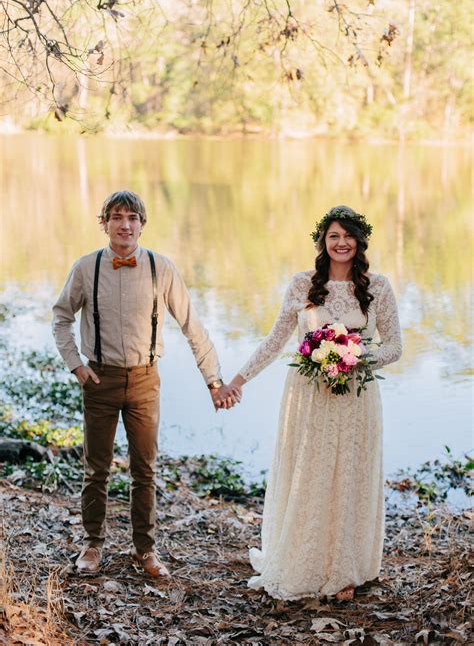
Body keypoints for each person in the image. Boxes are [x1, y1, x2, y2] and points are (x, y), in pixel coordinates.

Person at [52, 190, 239, 576]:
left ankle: (145, 550)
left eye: (132, 217)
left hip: (144, 380)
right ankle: (92, 546)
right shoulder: (86, 267)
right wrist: (75, 366)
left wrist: (213, 381)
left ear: (142, 224)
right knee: (96, 468)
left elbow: (192, 326)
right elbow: (61, 318)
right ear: (103, 223)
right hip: (99, 379)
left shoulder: (161, 267)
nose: (124, 224)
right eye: (116, 217)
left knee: (145, 470)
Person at [223, 205, 402, 601]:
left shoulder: (380, 287)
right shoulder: (302, 284)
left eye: (348, 236)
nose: (341, 243)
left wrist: (354, 356)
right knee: (312, 474)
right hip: (310, 396)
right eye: (333, 236)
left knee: (351, 475)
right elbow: (274, 340)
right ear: (323, 241)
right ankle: (307, 560)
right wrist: (237, 381)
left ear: (360, 240)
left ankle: (346, 569)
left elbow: (395, 347)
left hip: (357, 396)